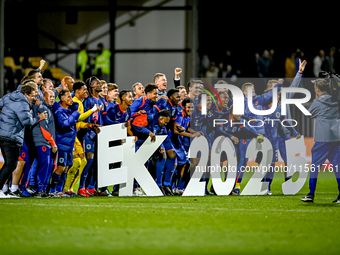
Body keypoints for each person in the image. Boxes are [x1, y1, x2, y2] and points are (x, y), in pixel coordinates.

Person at [0, 85, 48, 198]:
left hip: (5, 133)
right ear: (26, 94)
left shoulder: (10, 97)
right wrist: (39, 117)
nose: (33, 98)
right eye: (32, 96)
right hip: (11, 135)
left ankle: (2, 189)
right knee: (10, 164)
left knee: (9, 164)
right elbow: (27, 121)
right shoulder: (23, 103)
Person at [301, 79, 340, 203]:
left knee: (315, 167)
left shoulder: (318, 102)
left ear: (317, 89)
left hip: (322, 138)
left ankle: (311, 194)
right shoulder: (336, 99)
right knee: (338, 167)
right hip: (336, 137)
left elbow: (308, 115)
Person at [49, 89, 81, 197]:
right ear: (62, 99)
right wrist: (75, 114)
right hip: (61, 144)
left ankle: (60, 190)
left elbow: (75, 104)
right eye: (68, 97)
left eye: (71, 97)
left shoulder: (68, 110)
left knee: (66, 167)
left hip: (69, 144)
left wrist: (73, 108)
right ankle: (52, 190)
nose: (71, 99)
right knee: (60, 168)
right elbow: (64, 124)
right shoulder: (59, 112)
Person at [32, 90, 58, 197]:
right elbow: (43, 128)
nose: (52, 98)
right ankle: (39, 189)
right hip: (42, 141)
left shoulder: (49, 109)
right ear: (44, 97)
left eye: (53, 96)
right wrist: (53, 143)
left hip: (47, 143)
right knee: (44, 165)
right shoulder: (42, 108)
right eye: (50, 96)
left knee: (48, 166)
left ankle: (43, 190)